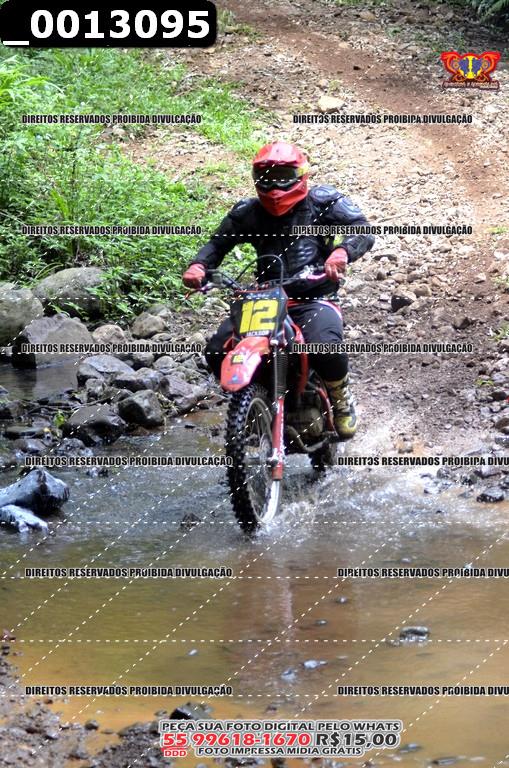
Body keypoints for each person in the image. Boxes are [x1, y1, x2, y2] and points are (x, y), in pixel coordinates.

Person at [182, 141, 374, 439]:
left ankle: (340, 398)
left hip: (314, 296)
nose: (274, 187)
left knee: (325, 346)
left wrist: (342, 252)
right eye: (267, 178)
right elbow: (217, 244)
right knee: (217, 350)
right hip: (265, 298)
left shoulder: (323, 202)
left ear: (301, 175)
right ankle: (254, 399)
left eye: (283, 177)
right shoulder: (248, 212)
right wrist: (198, 266)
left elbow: (362, 228)